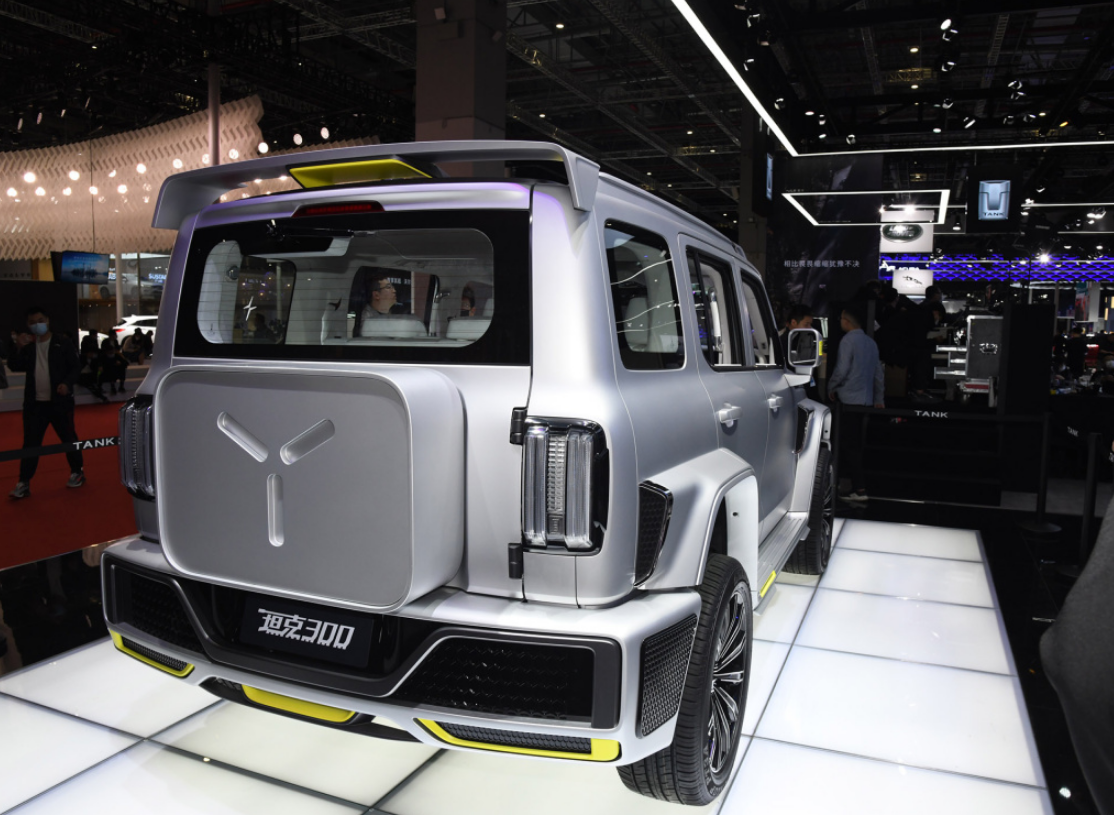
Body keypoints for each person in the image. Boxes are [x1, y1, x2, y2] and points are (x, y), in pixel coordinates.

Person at [7, 306, 85, 499]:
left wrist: (67, 384)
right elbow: (14, 365)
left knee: (69, 438)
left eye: (40, 320)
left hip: (60, 403)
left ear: (47, 320)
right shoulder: (28, 347)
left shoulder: (62, 343)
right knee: (30, 444)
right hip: (35, 405)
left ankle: (77, 472)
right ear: (28, 325)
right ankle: (24, 482)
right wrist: (18, 347)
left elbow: (75, 367)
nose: (37, 325)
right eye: (32, 322)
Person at [827, 307, 884, 502]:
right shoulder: (870, 342)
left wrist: (831, 386)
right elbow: (878, 373)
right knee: (856, 444)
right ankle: (852, 486)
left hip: (848, 398)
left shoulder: (847, 341)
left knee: (846, 445)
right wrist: (879, 399)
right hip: (866, 400)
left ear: (846, 321)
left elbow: (842, 369)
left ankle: (857, 488)